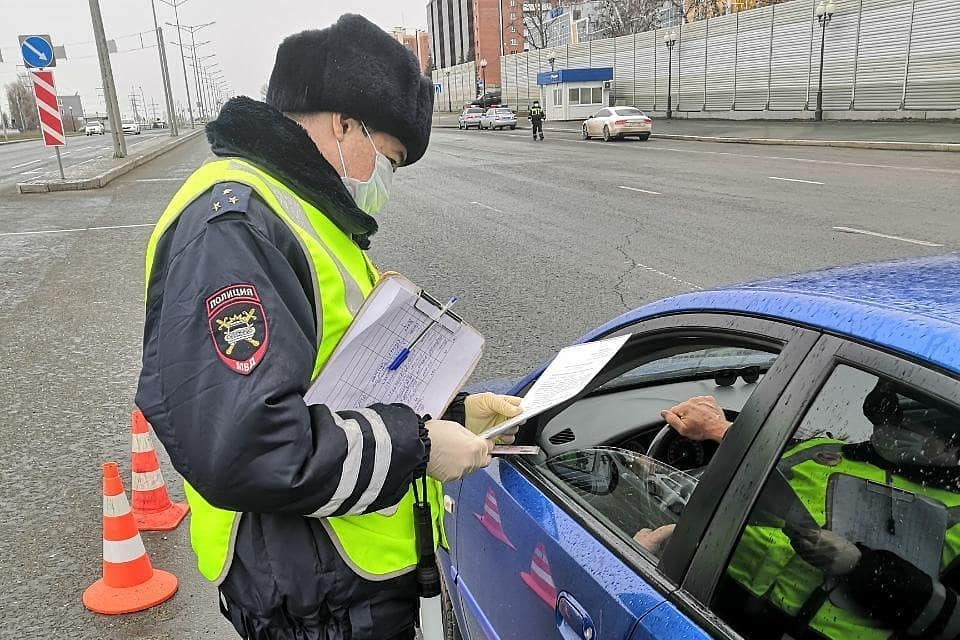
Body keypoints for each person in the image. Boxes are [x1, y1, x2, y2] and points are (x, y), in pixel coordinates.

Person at [136, 15, 521, 640]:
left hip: (345, 577)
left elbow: (345, 370)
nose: (385, 181)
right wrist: (419, 448)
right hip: (310, 591)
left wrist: (453, 409)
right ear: (343, 123)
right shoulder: (236, 229)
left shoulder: (306, 213)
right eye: (389, 158)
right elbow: (251, 444)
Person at [636, 389, 960, 640]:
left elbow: (953, 624)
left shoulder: (956, 519)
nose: (893, 429)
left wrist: (861, 568)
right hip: (705, 612)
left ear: (953, 442)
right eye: (891, 419)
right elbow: (750, 483)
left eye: (915, 427)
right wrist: (719, 431)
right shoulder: (819, 451)